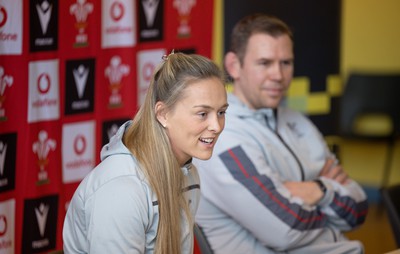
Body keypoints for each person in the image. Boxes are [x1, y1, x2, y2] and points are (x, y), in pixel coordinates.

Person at [193, 13, 369, 254]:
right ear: (234, 65)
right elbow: (287, 230)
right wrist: (329, 195)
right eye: (264, 63)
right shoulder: (222, 134)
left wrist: (318, 189)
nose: (278, 75)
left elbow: (358, 212)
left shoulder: (298, 122)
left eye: (286, 63)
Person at [63, 52, 229, 254]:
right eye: (202, 114)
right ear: (163, 114)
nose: (216, 126)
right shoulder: (122, 189)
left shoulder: (189, 173)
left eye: (221, 112)